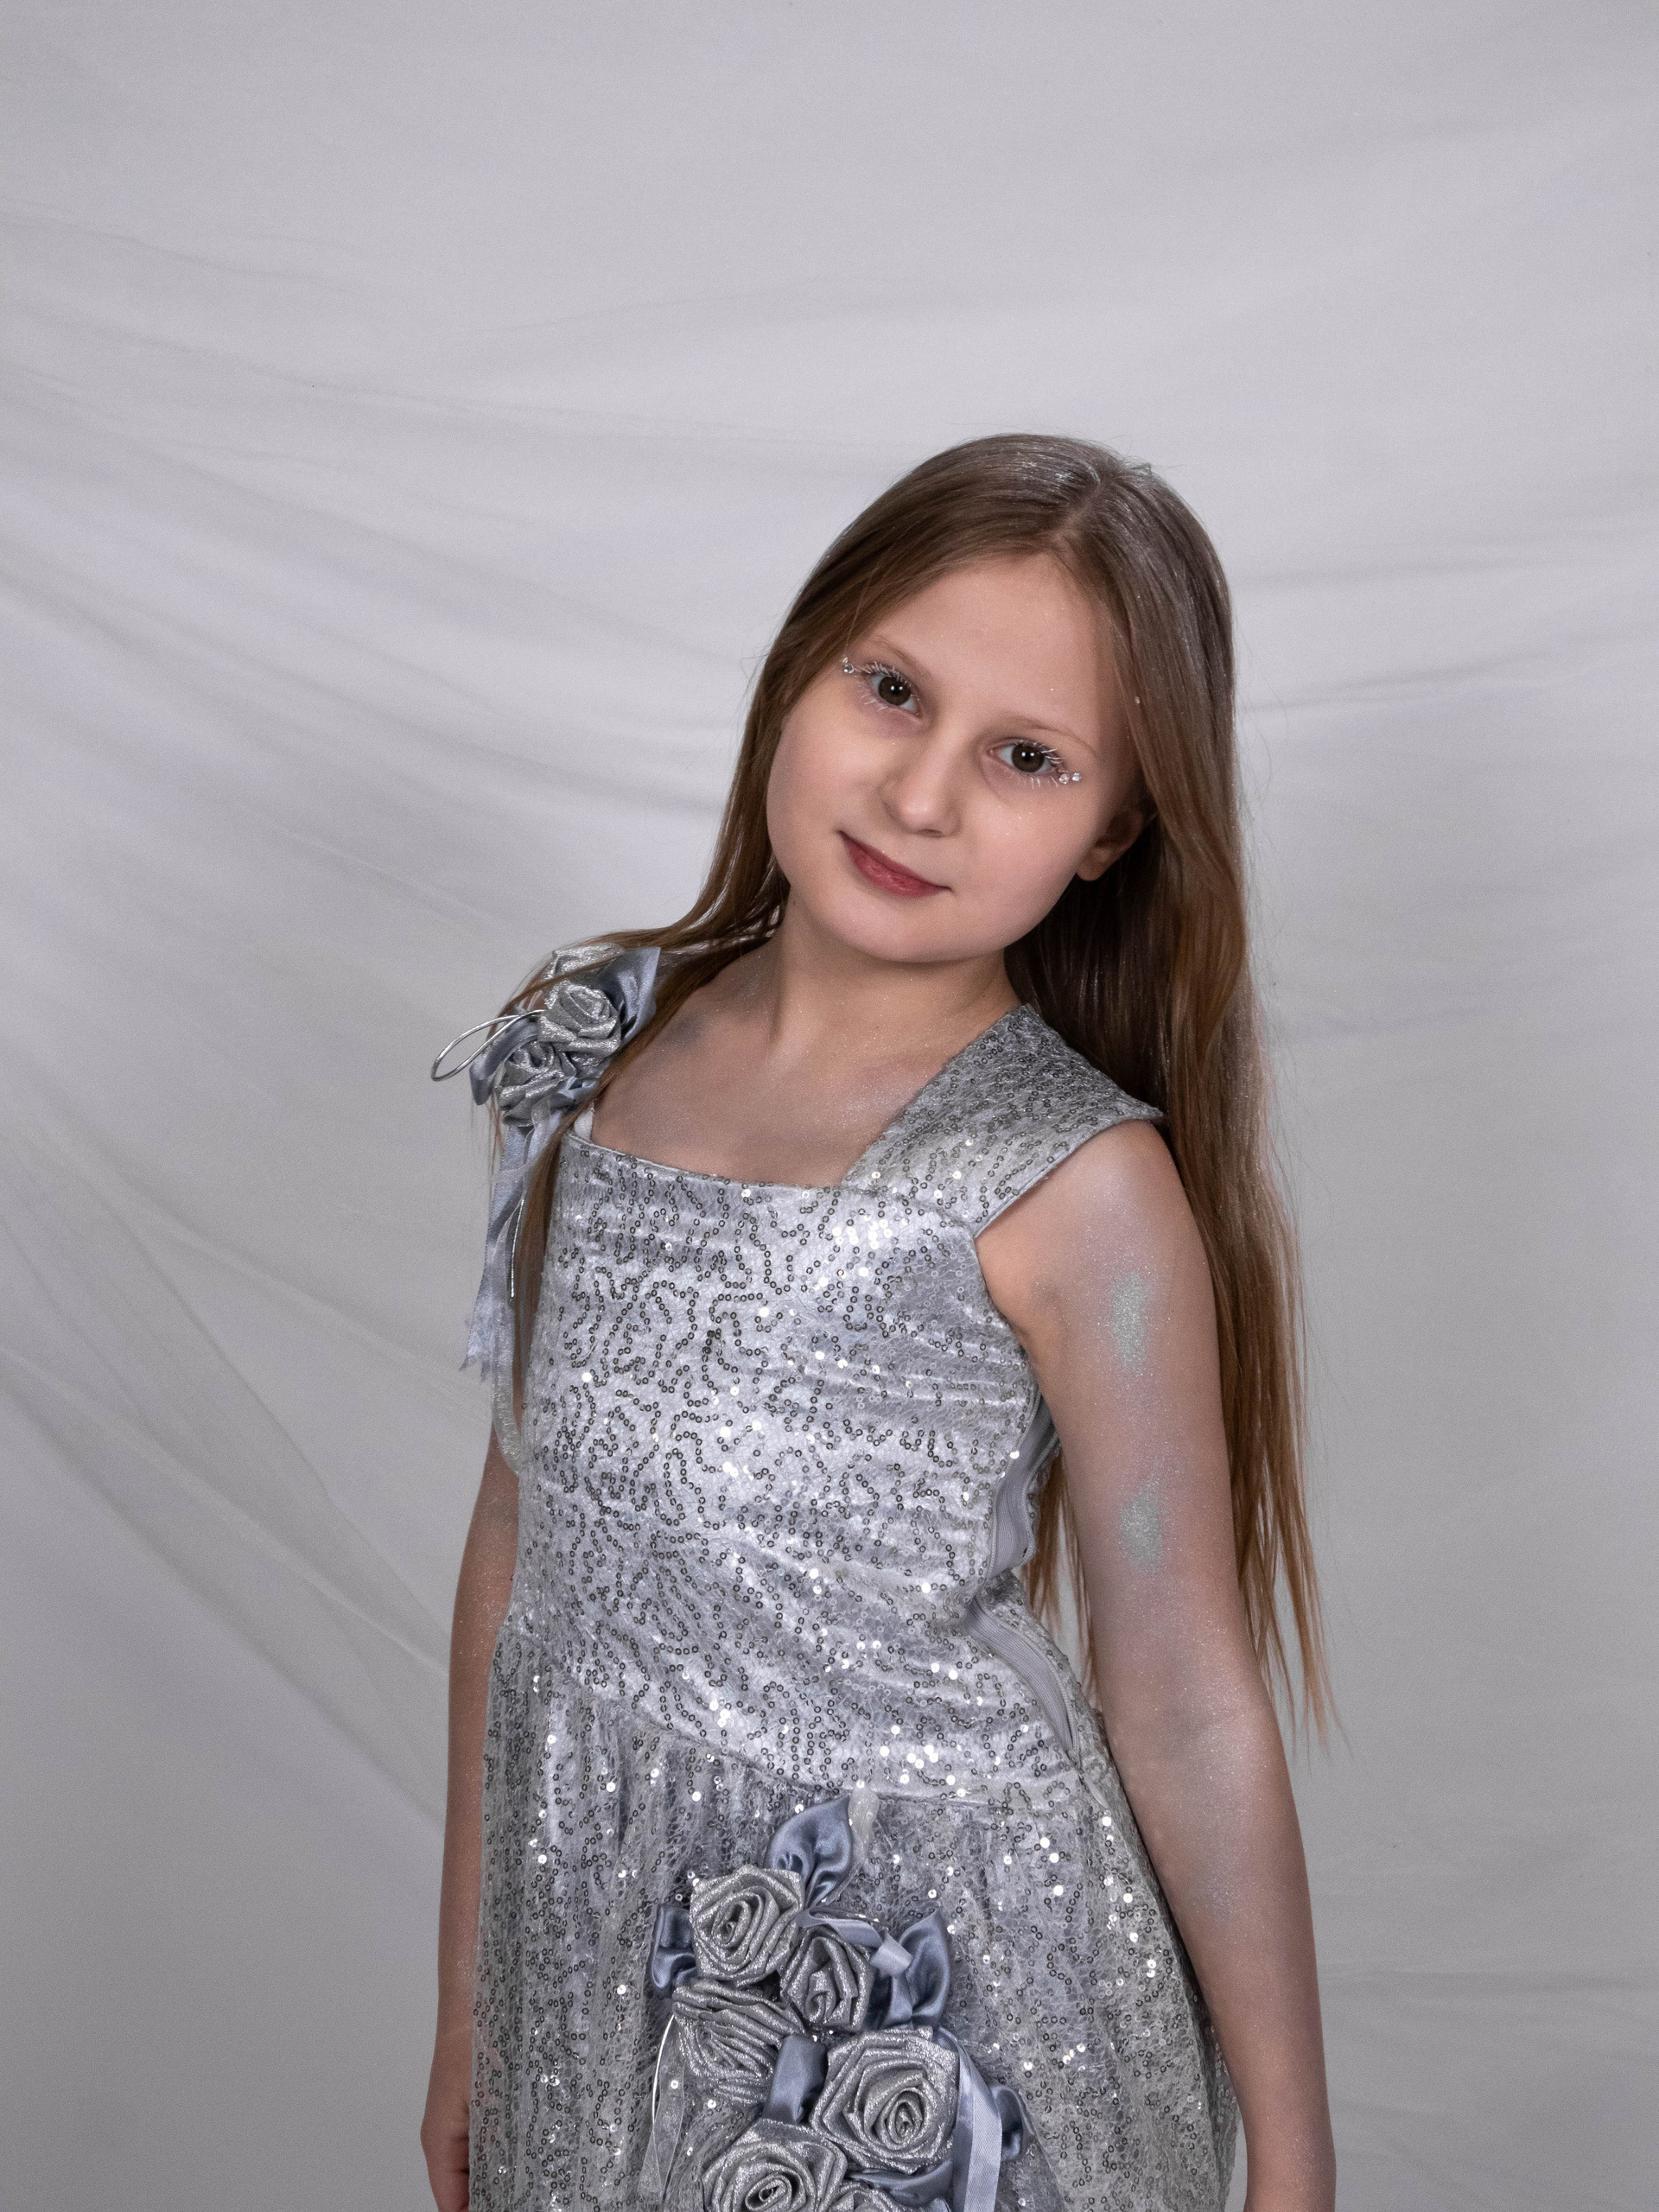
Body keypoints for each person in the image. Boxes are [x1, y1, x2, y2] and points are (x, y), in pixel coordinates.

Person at [422, 434, 1336, 2212]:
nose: (923, 795)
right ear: (798, 667)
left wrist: (1293, 2163)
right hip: (593, 1973)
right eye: (893, 689)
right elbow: (518, 1534)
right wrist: (472, 2002)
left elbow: (1185, 1693)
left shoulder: (1074, 1184)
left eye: (1027, 756)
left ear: (1114, 829)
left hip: (936, 2015)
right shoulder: (592, 1049)